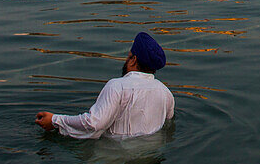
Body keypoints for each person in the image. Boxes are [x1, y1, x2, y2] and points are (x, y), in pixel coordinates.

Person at [35, 32, 174, 139]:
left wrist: (55, 120)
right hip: (151, 155)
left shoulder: (117, 86)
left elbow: (94, 124)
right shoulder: (166, 93)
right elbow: (167, 124)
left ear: (133, 60)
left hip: (113, 156)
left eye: (128, 56)